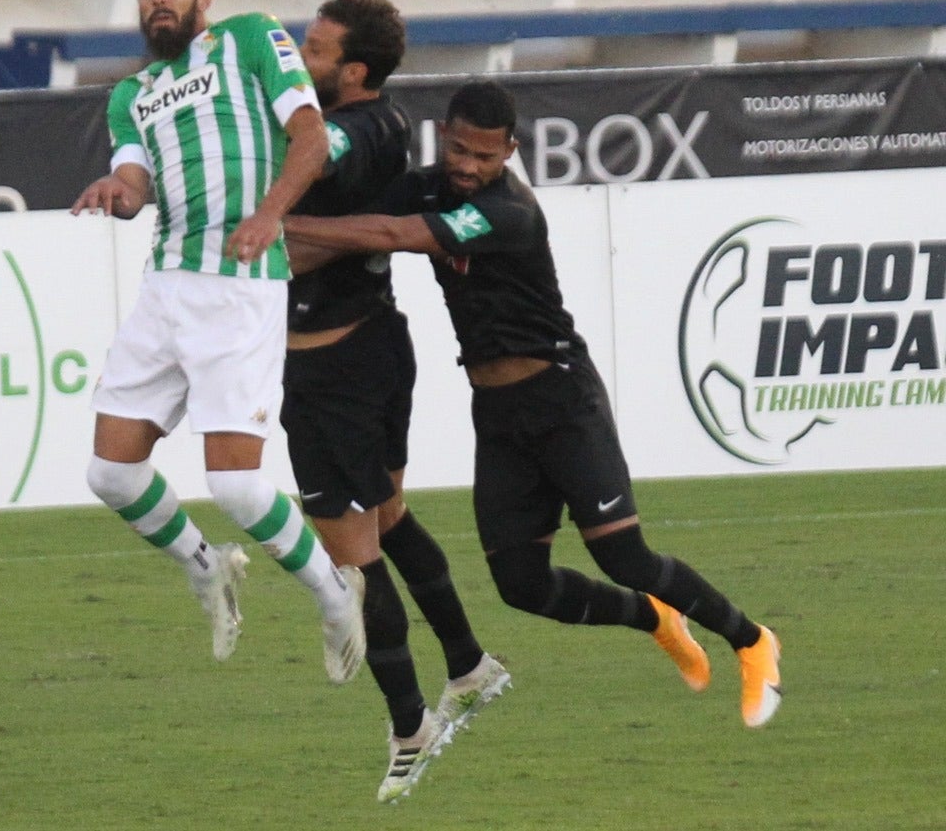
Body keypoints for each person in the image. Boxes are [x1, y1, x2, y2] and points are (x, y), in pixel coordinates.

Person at [285, 79, 782, 729]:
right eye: (459, 149)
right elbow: (358, 223)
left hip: (562, 399)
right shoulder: (429, 185)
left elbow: (392, 232)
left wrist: (278, 222)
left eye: (484, 156)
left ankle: (751, 640)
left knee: (623, 555)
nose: (468, 165)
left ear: (510, 152)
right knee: (521, 586)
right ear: (445, 138)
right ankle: (654, 617)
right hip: (497, 414)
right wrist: (282, 243)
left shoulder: (507, 208)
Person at [72, 0, 366, 685]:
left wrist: (270, 214)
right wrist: (118, 194)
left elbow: (310, 137)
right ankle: (207, 567)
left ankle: (336, 596)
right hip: (167, 286)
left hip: (239, 285)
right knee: (109, 471)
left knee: (235, 485)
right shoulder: (129, 95)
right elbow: (136, 183)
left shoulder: (250, 39)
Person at [287, 0, 510, 802]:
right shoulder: (376, 126)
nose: (293, 53)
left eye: (309, 46)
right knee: (385, 518)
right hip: (372, 352)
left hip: (335, 372)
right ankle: (470, 662)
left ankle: (411, 723)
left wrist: (269, 228)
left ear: (352, 69)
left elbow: (320, 172)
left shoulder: (356, 130)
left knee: (355, 555)